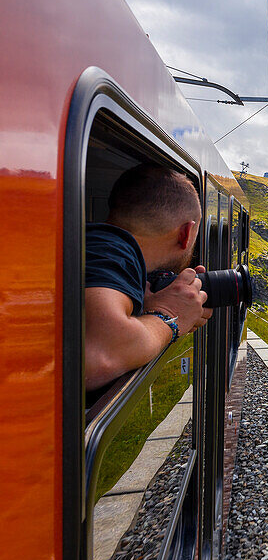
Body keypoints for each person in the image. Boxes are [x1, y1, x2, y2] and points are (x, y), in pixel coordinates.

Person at [84, 163, 212, 392]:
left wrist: (146, 309)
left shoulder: (96, 247)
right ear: (186, 233)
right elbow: (100, 354)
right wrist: (169, 315)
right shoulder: (114, 250)